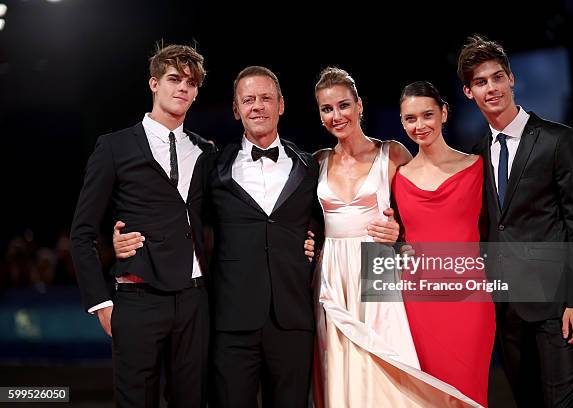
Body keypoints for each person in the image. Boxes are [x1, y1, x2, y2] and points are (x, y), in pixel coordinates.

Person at [113, 65, 402, 407]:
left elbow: (327, 220)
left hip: (293, 321)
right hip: (231, 323)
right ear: (236, 109)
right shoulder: (212, 165)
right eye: (248, 100)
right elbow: (178, 213)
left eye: (266, 98)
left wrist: (386, 232)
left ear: (281, 105)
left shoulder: (309, 166)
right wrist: (124, 236)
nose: (258, 106)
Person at [313, 68, 482, 407]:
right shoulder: (317, 161)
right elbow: (307, 223)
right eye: (326, 109)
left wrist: (398, 235)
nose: (336, 116)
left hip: (377, 271)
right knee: (337, 368)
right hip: (332, 277)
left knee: (387, 365)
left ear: (360, 106)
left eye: (343, 105)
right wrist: (308, 240)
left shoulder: (392, 154)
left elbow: (412, 220)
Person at [70, 44, 213, 407]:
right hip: (137, 298)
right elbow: (83, 232)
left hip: (194, 299)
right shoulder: (114, 147)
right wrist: (101, 302)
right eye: (174, 79)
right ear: (154, 83)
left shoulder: (206, 151)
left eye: (191, 83)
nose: (183, 88)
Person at [458, 35, 573, 407]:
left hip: (555, 307)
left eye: (497, 77)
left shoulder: (557, 140)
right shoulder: (475, 155)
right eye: (481, 82)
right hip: (505, 308)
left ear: (512, 79)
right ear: (469, 92)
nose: (492, 88)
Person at [392, 80, 496, 406]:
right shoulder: (397, 176)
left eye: (427, 115)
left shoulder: (478, 168)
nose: (419, 125)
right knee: (425, 396)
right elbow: (390, 233)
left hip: (469, 302)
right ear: (402, 121)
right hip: (416, 303)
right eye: (410, 118)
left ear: (444, 114)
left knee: (467, 393)